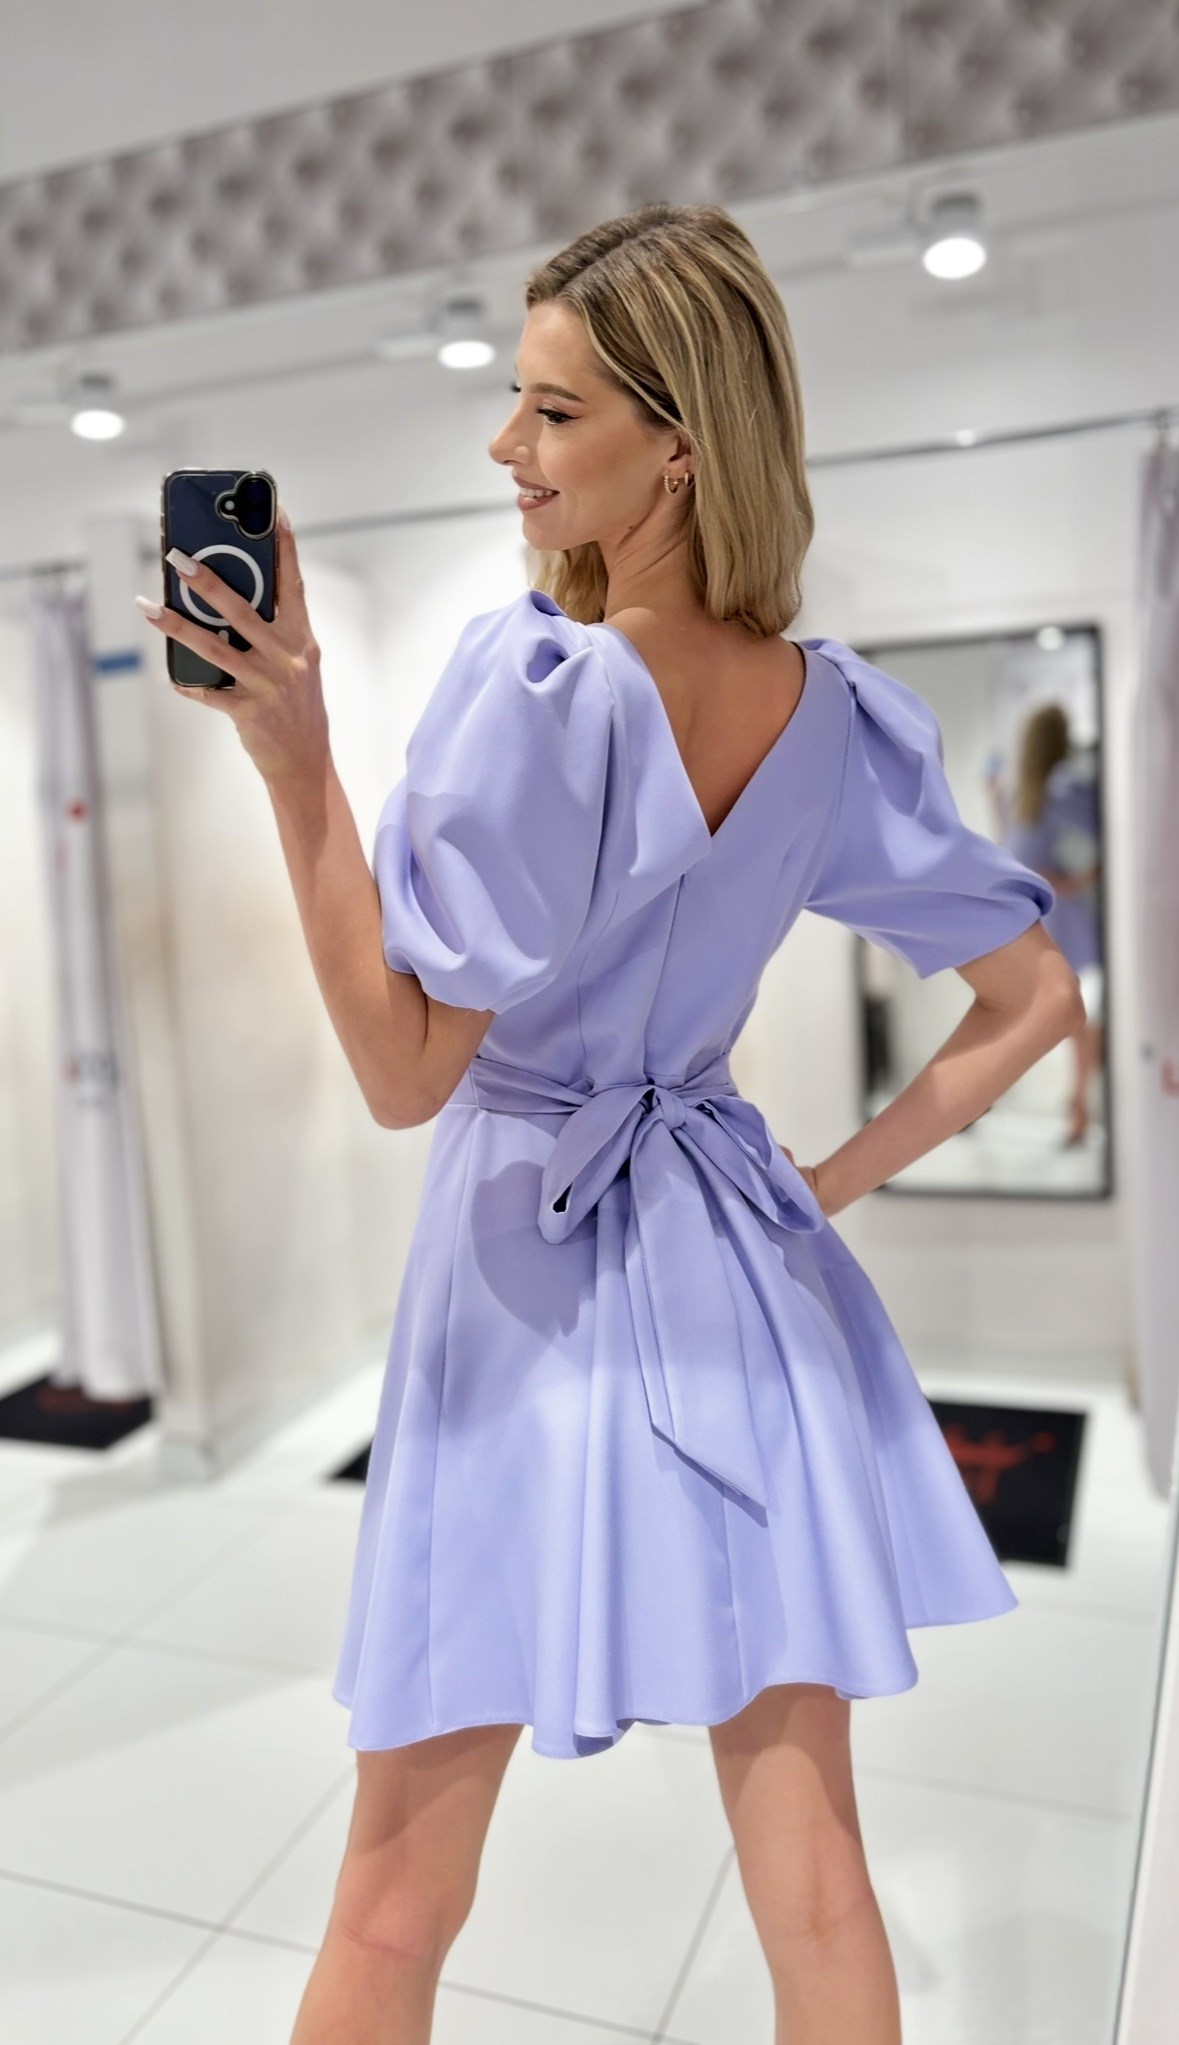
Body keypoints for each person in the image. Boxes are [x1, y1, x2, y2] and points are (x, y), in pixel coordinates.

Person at [136, 201, 1082, 2045]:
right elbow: (1034, 996)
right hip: (733, 1257)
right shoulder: (832, 717)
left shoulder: (535, 693)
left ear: (680, 443)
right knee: (817, 1891)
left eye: (552, 410)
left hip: (517, 1265)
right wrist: (817, 1185)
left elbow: (405, 1073)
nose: (506, 443)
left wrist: (294, 761)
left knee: (391, 1904)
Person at [1003, 702, 1104, 1146]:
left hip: (1036, 914)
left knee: (1059, 1011)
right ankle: (1078, 1105)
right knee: (1068, 1012)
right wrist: (1078, 879)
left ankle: (1077, 1105)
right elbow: (1107, 829)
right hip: (1054, 913)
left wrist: (1073, 879)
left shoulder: (1028, 790)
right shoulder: (1056, 786)